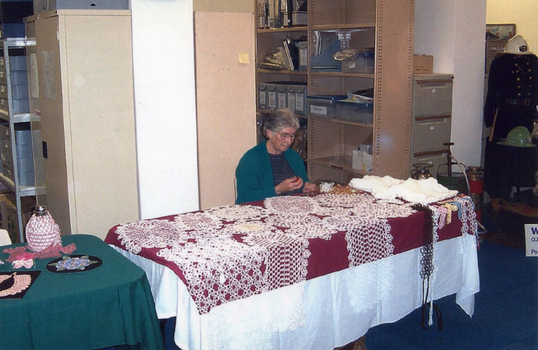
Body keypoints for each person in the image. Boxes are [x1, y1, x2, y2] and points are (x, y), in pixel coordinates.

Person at [235, 108, 318, 204]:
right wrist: (277, 190)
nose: (289, 141)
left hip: (293, 211)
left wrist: (306, 188)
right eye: (284, 135)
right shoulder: (251, 159)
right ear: (270, 133)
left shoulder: (294, 157)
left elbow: (303, 185)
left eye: (292, 136)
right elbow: (244, 199)